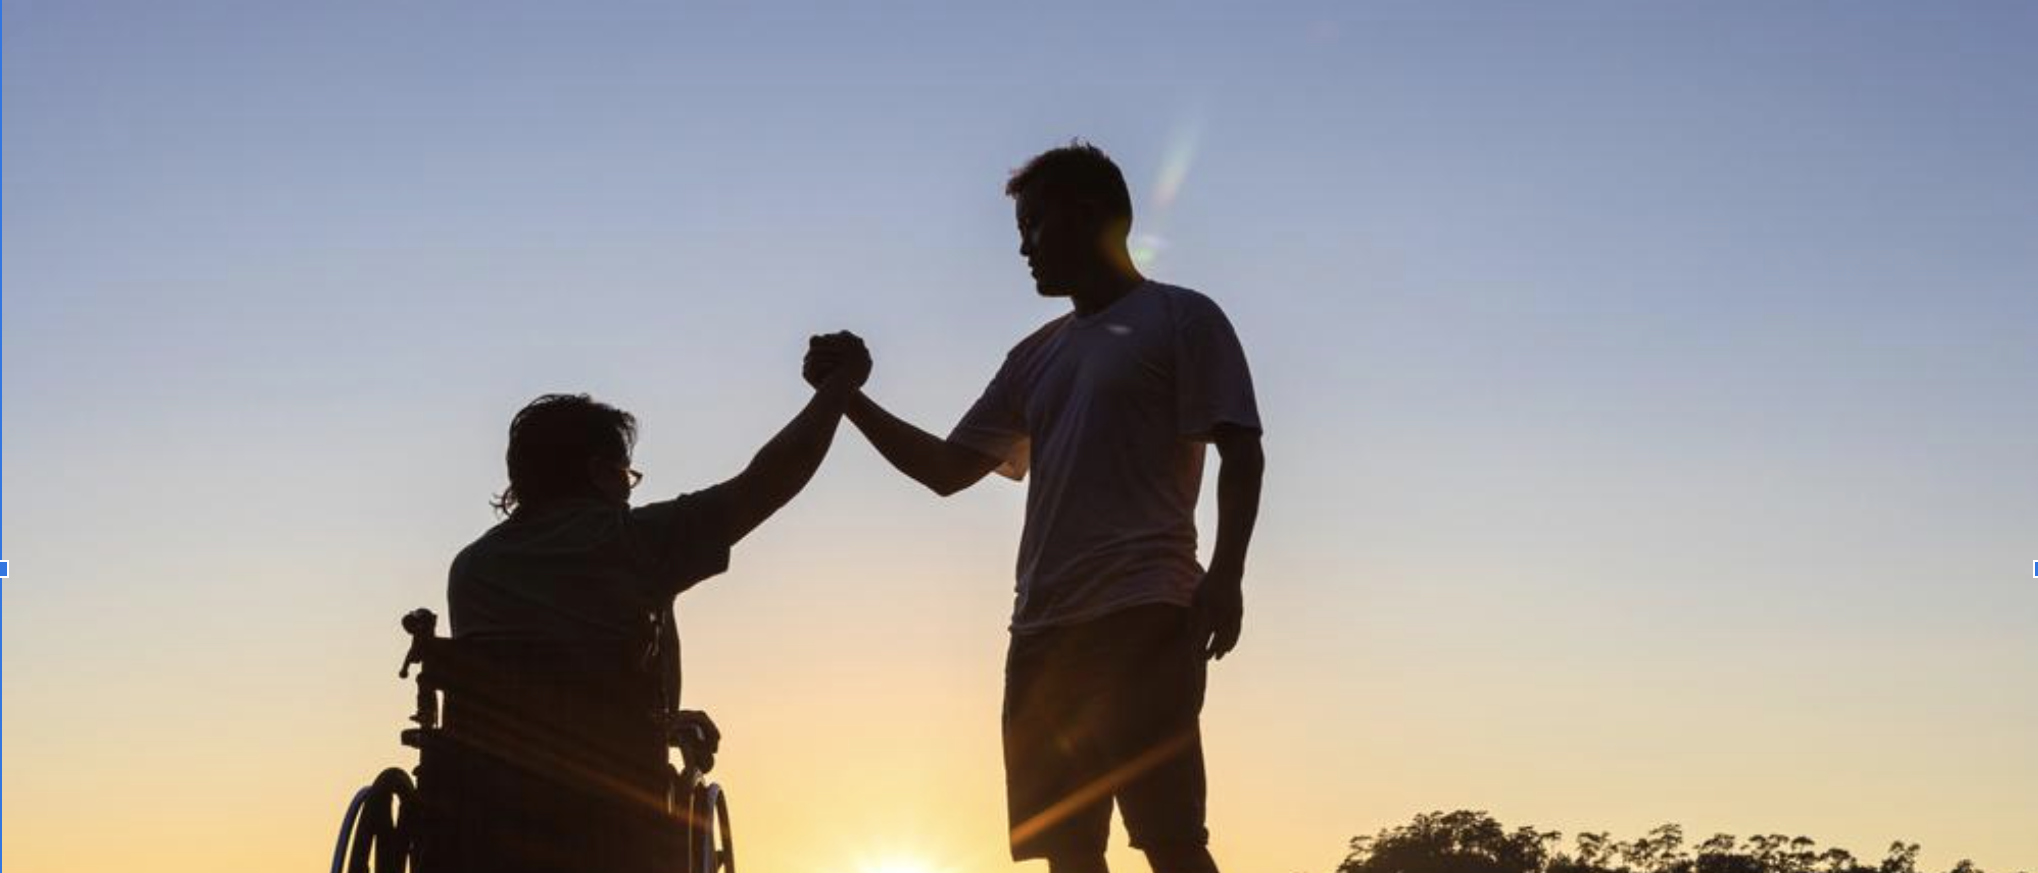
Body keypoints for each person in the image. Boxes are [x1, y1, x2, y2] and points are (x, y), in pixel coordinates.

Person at [806, 141, 1264, 873]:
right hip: (1043, 630)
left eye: (1034, 224)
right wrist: (845, 396)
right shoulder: (1034, 356)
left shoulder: (1182, 318)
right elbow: (947, 470)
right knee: (1066, 848)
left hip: (1144, 609)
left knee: (1170, 837)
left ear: (1086, 215)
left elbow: (1241, 450)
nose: (1023, 246)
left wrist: (1227, 575)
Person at [440, 341, 869, 873]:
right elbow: (770, 479)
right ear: (600, 472)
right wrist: (839, 386)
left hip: (484, 824)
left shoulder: (472, 569)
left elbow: (537, 702)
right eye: (627, 474)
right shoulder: (633, 543)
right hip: (609, 823)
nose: (629, 489)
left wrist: (658, 721)